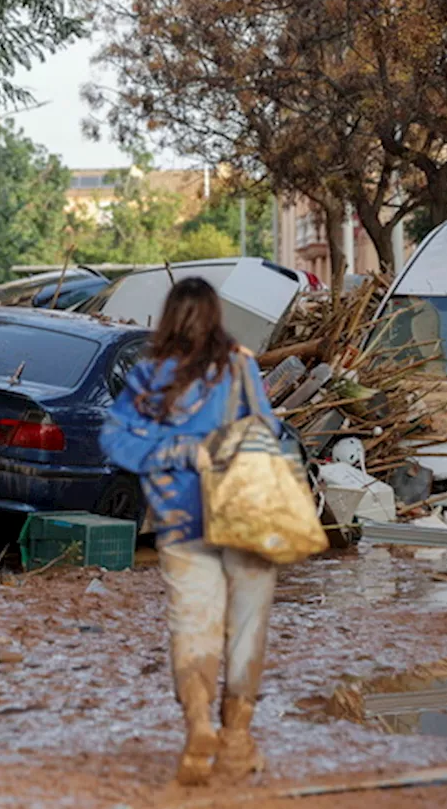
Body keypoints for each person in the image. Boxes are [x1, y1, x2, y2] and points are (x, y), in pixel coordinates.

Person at [100, 278, 279, 786]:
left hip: (179, 524)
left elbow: (114, 440)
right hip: (241, 519)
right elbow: (265, 431)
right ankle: (238, 742)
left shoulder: (148, 377)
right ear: (217, 315)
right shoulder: (241, 365)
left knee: (192, 626)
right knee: (245, 630)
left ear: (170, 318)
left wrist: (169, 454)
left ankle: (199, 726)